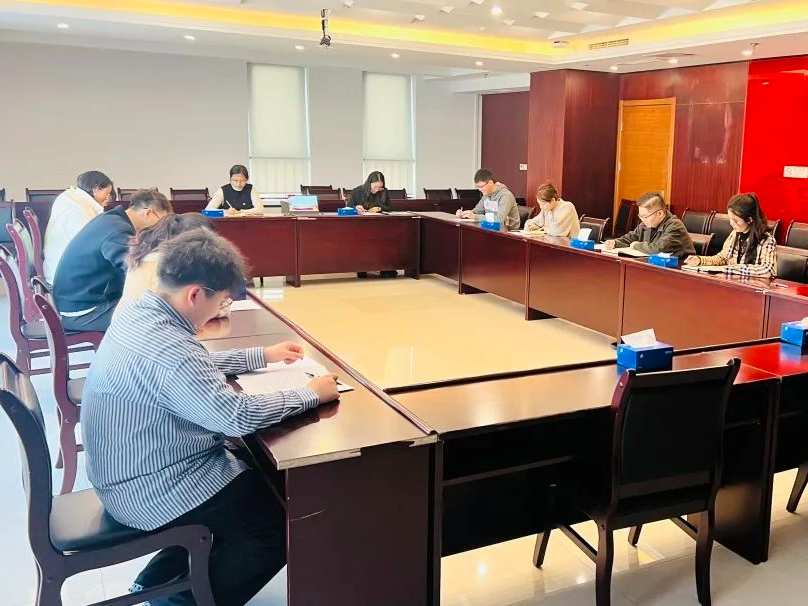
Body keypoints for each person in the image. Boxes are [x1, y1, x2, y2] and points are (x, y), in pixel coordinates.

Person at [80, 228, 339, 606]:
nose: (219, 311)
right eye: (219, 302)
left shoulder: (142, 312)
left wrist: (261, 356)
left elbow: (193, 367)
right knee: (277, 525)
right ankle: (180, 601)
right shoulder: (169, 347)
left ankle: (159, 580)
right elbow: (235, 417)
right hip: (149, 488)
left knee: (257, 476)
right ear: (194, 294)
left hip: (129, 469)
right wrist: (309, 394)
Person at [53, 188, 171, 332]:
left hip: (76, 300)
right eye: (161, 222)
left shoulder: (111, 220)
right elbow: (137, 271)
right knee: (157, 313)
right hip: (83, 311)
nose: (160, 229)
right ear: (148, 213)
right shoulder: (118, 231)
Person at [112, 213, 229, 322]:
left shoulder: (146, 255)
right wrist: (215, 308)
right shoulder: (169, 266)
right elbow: (187, 312)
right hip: (147, 330)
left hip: (122, 327)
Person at [43, 171, 113, 283]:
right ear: (96, 189)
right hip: (65, 279)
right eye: (107, 193)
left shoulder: (72, 199)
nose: (108, 197)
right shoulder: (75, 210)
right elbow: (93, 245)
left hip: (59, 270)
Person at [684, 192, 777, 277]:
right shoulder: (735, 234)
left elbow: (768, 270)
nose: (731, 223)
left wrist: (731, 268)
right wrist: (700, 260)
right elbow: (723, 258)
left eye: (735, 220)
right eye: (730, 219)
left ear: (749, 220)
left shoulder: (766, 239)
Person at [604, 191, 695, 257]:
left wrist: (636, 245)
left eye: (645, 216)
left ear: (659, 214)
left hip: (679, 270)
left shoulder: (675, 226)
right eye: (640, 216)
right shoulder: (646, 223)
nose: (642, 220)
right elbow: (630, 239)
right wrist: (615, 242)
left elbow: (658, 249)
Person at [456, 169, 520, 231]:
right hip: (491, 228)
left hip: (509, 232)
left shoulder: (505, 195)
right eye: (478, 187)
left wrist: (475, 216)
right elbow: (478, 210)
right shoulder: (486, 194)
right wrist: (466, 214)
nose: (479, 189)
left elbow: (499, 219)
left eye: (481, 186)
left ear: (490, 183)